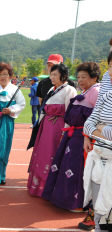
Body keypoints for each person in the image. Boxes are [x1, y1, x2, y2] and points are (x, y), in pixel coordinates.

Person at [42, 62, 100, 211]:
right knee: (67, 167)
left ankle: (77, 203)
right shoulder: (86, 91)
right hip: (73, 135)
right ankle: (66, 199)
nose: (80, 80)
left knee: (76, 168)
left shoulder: (96, 91)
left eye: (84, 77)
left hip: (83, 137)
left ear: (94, 78)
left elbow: (97, 117)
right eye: (79, 77)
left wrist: (88, 136)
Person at [27, 63, 77, 197]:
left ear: (63, 75)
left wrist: (65, 133)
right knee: (42, 155)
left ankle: (49, 189)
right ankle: (38, 187)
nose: (52, 77)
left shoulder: (69, 90)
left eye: (55, 74)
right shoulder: (51, 90)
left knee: (51, 157)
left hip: (57, 129)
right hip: (46, 127)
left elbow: (69, 113)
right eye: (51, 74)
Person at [82, 62, 112, 232]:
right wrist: (100, 129)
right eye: (111, 66)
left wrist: (99, 129)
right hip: (100, 162)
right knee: (102, 217)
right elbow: (87, 125)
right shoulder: (107, 96)